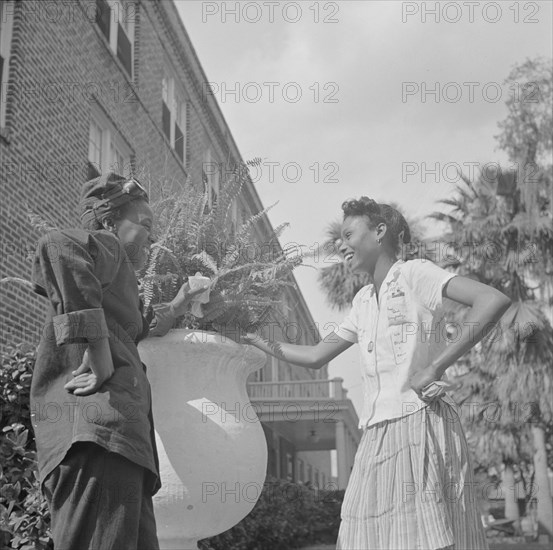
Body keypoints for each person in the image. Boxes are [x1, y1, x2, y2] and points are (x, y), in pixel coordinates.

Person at [243, 197, 511, 550]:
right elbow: (315, 355)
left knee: (424, 541)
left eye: (349, 234)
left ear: (380, 231)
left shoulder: (415, 273)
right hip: (376, 433)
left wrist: (434, 367)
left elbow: (492, 301)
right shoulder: (363, 301)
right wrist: (255, 338)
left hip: (421, 422)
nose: (341, 245)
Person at [30, 173, 208, 550]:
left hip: (121, 444)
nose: (152, 237)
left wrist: (179, 303)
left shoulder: (114, 280)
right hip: (98, 437)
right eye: (144, 225)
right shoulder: (106, 244)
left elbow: (139, 326)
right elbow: (57, 245)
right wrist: (100, 357)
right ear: (109, 220)